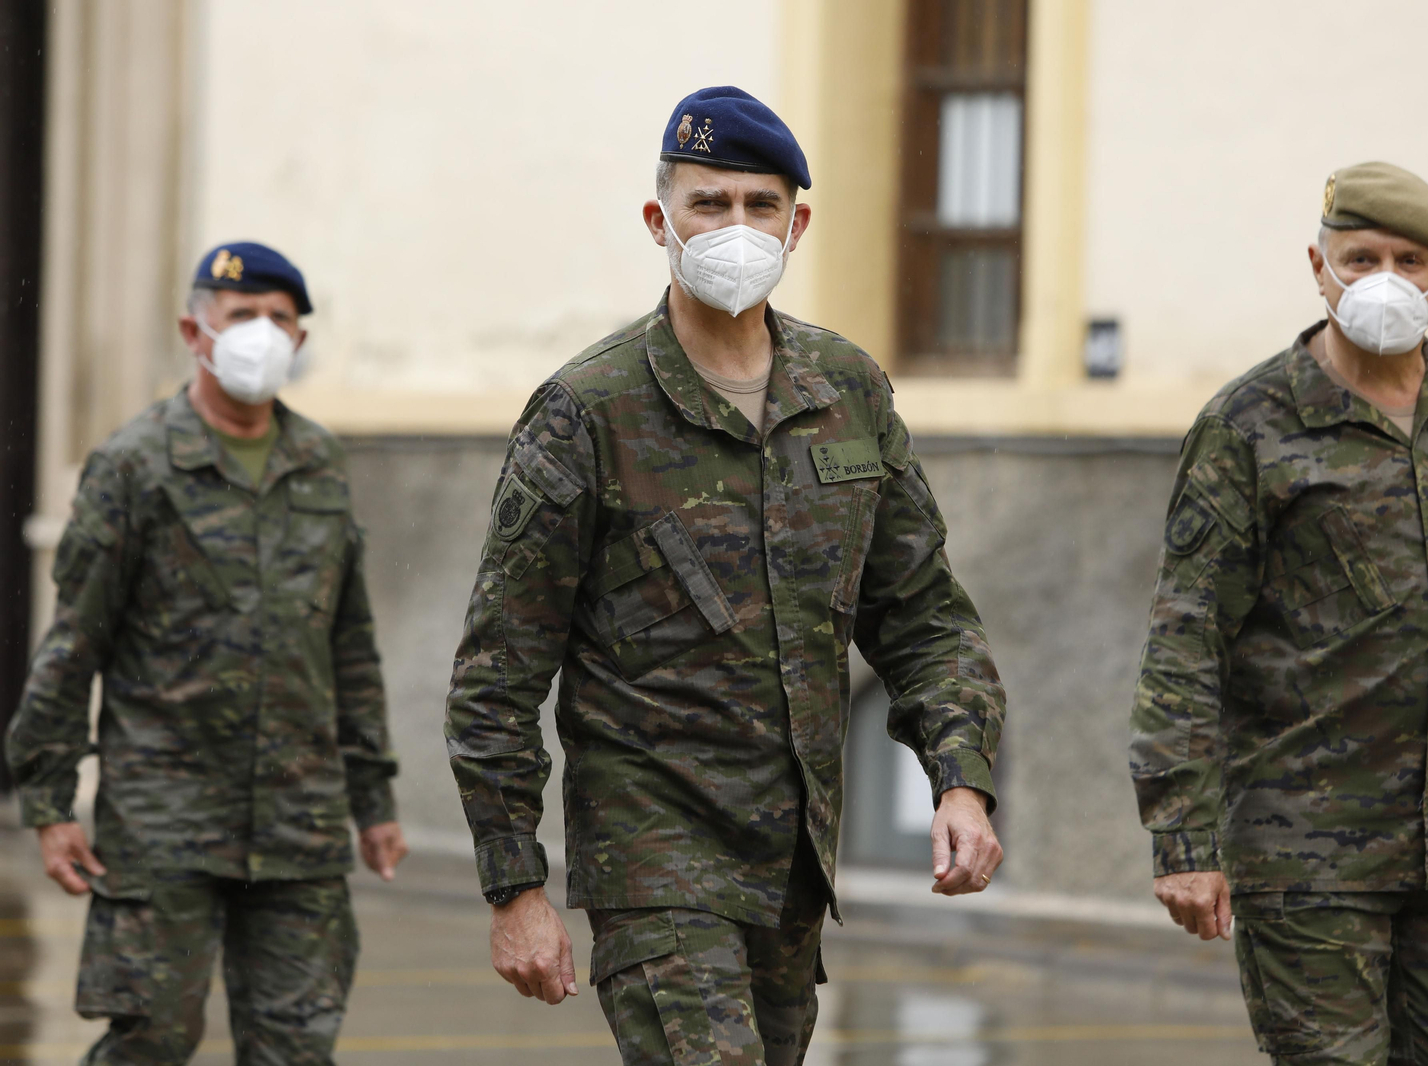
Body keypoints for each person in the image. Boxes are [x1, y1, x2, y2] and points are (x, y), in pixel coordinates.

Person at [446, 85, 1006, 1065]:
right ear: (660, 220)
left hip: (791, 863)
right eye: (710, 204)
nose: (736, 227)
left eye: (760, 205)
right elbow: (498, 670)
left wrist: (959, 780)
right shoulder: (588, 410)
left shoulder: (847, 391)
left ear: (798, 224)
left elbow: (923, 616)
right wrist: (514, 885)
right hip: (655, 856)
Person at [1129, 161, 1428, 1064]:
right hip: (1307, 854)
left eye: (1410, 259)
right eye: (1361, 256)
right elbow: (1186, 642)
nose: (1384, 278)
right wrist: (1182, 839)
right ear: (1318, 266)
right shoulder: (1249, 424)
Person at [8, 242, 407, 1063]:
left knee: (297, 1046)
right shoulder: (133, 466)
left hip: (300, 822)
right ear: (195, 332)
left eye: (279, 320)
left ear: (299, 342)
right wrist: (48, 803)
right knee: (151, 1039)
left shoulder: (321, 463)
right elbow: (73, 641)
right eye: (241, 318)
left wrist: (373, 796)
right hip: (165, 823)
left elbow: (350, 641)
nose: (261, 334)